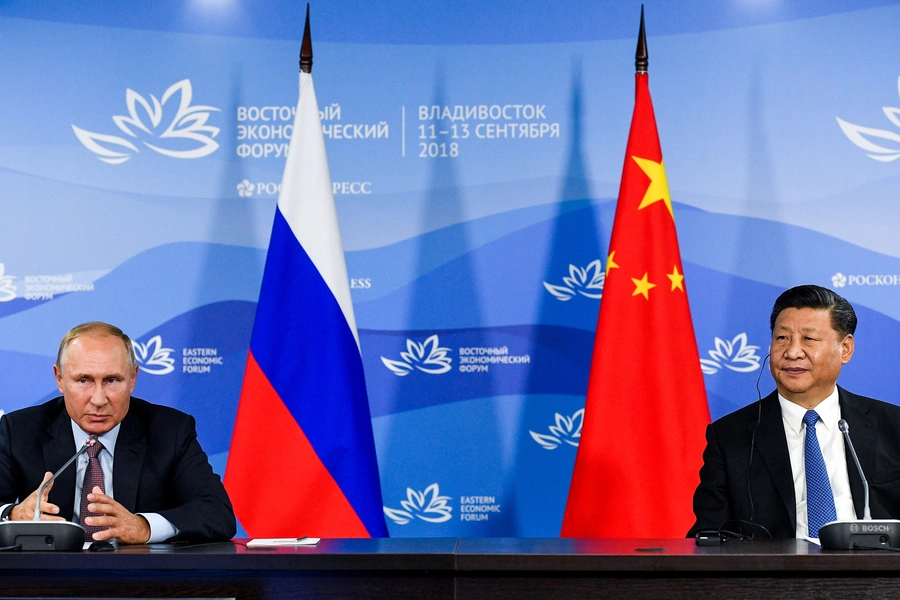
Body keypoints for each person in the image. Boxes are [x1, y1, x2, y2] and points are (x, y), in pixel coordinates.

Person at [689, 285, 900, 540]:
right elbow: (709, 535)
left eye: (809, 339)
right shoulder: (730, 436)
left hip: (876, 575)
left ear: (845, 348)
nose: (792, 352)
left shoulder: (892, 426)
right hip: (774, 576)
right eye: (782, 338)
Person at [0, 322, 236, 544]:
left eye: (112, 380)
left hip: (139, 579)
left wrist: (144, 527)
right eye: (84, 380)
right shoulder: (20, 430)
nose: (99, 399)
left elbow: (217, 513)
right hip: (45, 580)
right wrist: (12, 514)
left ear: (133, 379)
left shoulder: (170, 431)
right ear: (60, 379)